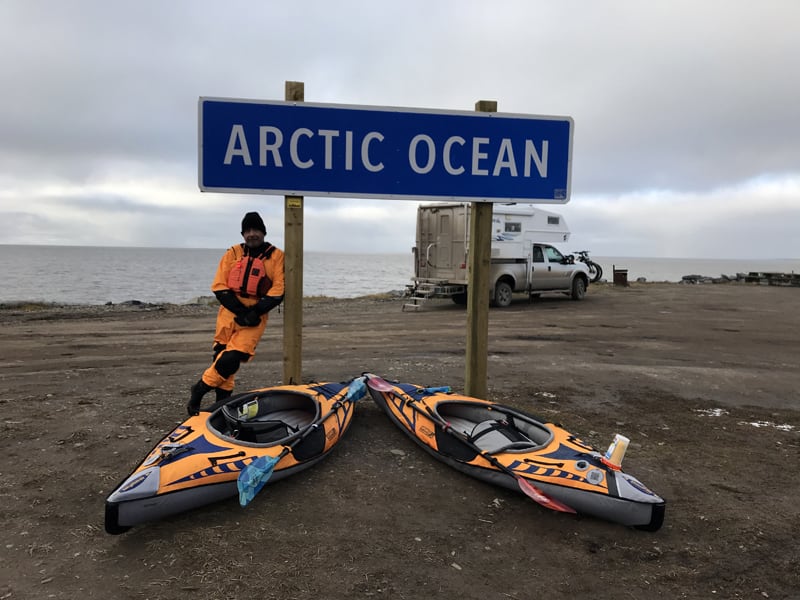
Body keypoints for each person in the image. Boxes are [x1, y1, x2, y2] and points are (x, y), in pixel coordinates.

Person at [187, 211, 285, 416]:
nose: (252, 234)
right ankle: (221, 407)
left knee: (232, 358)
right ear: (242, 234)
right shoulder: (232, 253)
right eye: (247, 231)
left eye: (256, 230)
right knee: (221, 357)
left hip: (256, 316)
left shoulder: (276, 256)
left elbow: (278, 290)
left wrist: (254, 312)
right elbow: (219, 286)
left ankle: (200, 389)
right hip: (228, 313)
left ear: (263, 232)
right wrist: (240, 311)